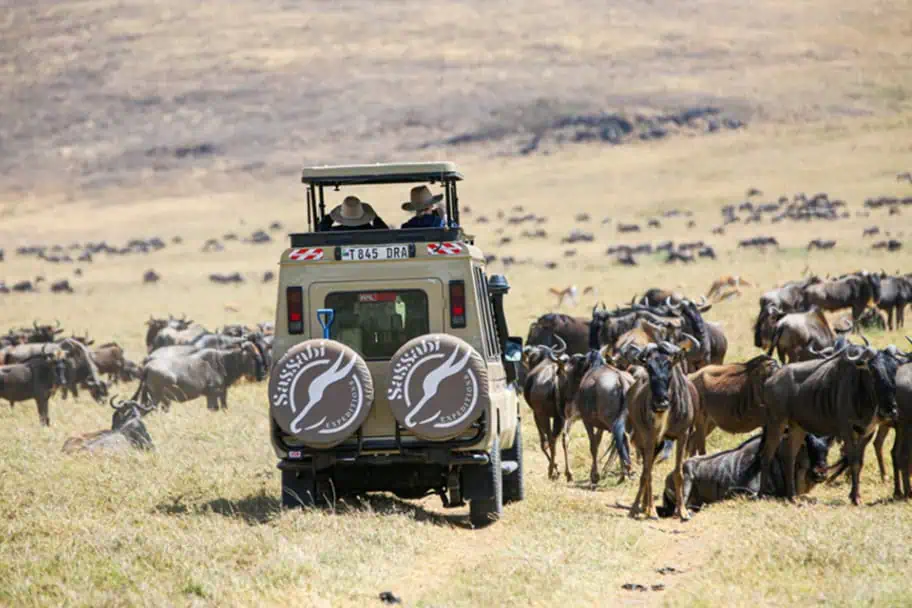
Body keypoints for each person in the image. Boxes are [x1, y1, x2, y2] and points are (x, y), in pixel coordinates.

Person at [319, 195, 388, 231]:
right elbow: (386, 233)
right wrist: (375, 218)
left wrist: (330, 217)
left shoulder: (334, 233)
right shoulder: (373, 232)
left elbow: (321, 231)